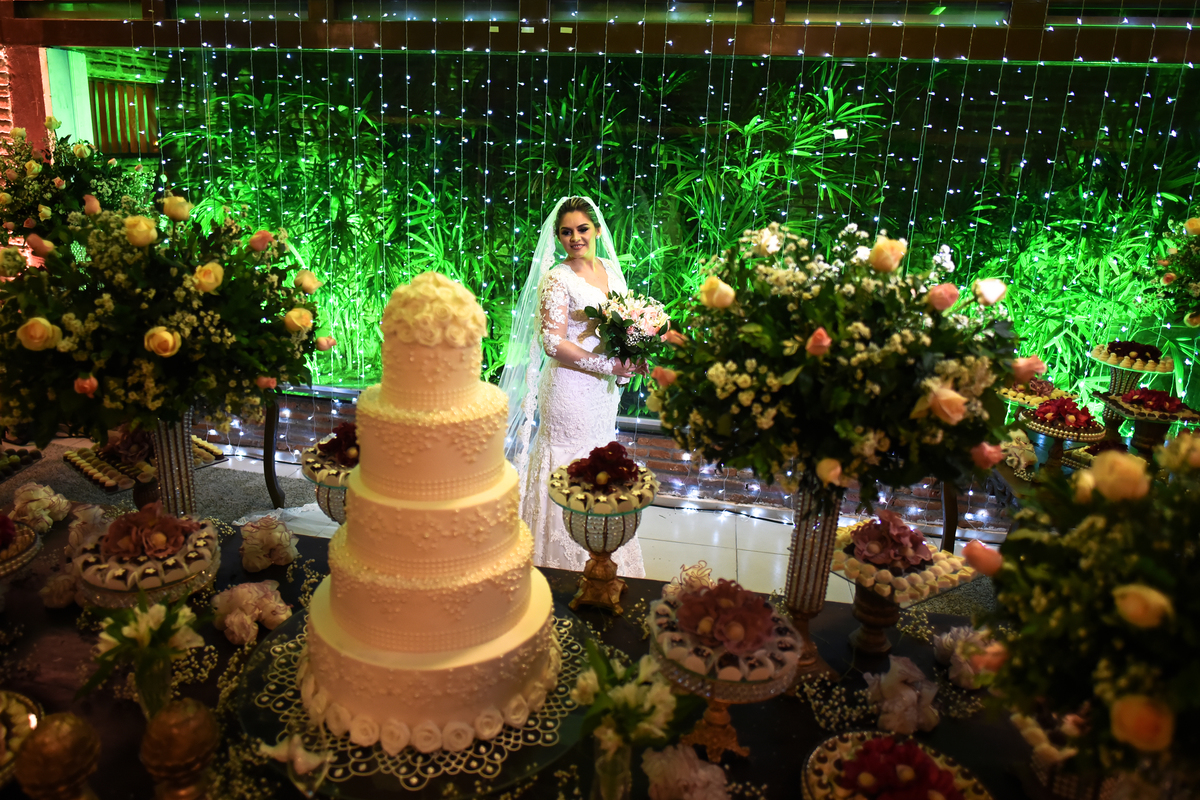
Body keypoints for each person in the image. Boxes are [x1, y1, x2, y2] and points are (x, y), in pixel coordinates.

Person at [499, 196, 646, 576]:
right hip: (570, 389)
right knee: (568, 461)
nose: (575, 238)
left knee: (601, 460)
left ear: (597, 229)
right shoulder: (557, 278)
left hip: (603, 394)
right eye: (566, 232)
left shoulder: (611, 270)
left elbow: (626, 324)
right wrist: (607, 364)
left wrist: (629, 359)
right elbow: (553, 343)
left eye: (582, 229)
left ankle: (600, 555)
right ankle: (556, 561)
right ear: (558, 237)